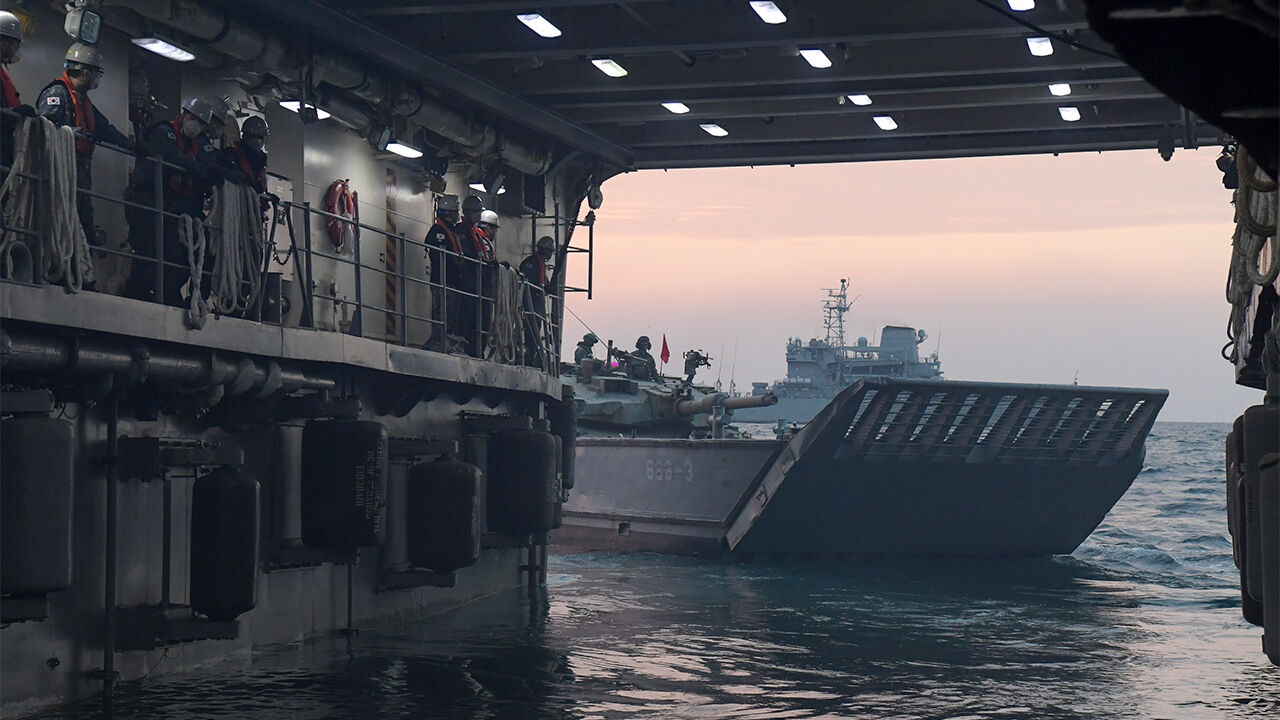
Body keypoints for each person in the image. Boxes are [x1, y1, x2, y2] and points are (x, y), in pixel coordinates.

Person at [123, 97, 221, 305]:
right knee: (148, 252)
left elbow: (209, 165)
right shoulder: (164, 132)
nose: (196, 126)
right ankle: (139, 294)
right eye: (193, 119)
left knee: (185, 254)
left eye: (201, 123)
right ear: (184, 115)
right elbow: (172, 156)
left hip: (173, 206)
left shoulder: (196, 144)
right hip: (147, 201)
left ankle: (177, 295)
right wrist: (199, 170)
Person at [36, 42, 132, 243]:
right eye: (96, 72)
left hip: (80, 174)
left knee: (82, 221)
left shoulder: (82, 100)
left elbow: (105, 129)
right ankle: (60, 269)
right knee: (61, 221)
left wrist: (132, 147)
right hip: (61, 170)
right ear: (86, 72)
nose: (97, 78)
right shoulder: (58, 93)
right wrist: (76, 133)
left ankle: (80, 269)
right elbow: (47, 126)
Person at [425, 194, 464, 348]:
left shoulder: (451, 231)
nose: (457, 215)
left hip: (452, 280)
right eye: (455, 212)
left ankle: (446, 342)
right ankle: (437, 343)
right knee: (442, 313)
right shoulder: (438, 231)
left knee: (451, 314)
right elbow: (436, 251)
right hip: (442, 280)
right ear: (449, 212)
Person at [518, 235, 555, 366]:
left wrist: (550, 286)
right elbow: (529, 281)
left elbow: (544, 284)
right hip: (530, 303)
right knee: (531, 332)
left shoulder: (541, 265)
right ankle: (526, 359)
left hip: (537, 305)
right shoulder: (532, 263)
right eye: (550, 251)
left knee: (535, 332)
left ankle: (530, 357)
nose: (551, 254)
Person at [225, 115, 269, 194]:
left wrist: (267, 195)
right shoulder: (233, 155)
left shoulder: (261, 161)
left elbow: (261, 184)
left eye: (260, 137)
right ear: (244, 136)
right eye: (253, 136)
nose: (257, 141)